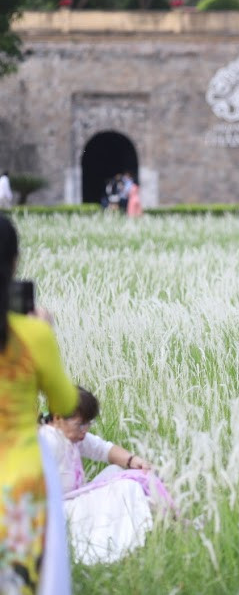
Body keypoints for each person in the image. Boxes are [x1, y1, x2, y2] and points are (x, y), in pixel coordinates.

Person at [0, 214, 78, 595]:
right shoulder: (31, 334)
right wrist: (44, 332)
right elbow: (65, 402)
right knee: (17, 584)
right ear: (14, 262)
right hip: (20, 482)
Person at [39, 387, 173, 565]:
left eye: (88, 423)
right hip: (60, 513)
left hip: (73, 501)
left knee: (118, 472)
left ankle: (155, 518)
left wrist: (133, 460)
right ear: (57, 418)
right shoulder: (48, 440)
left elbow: (102, 448)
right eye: (80, 424)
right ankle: (141, 527)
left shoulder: (69, 435)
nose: (85, 430)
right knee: (127, 486)